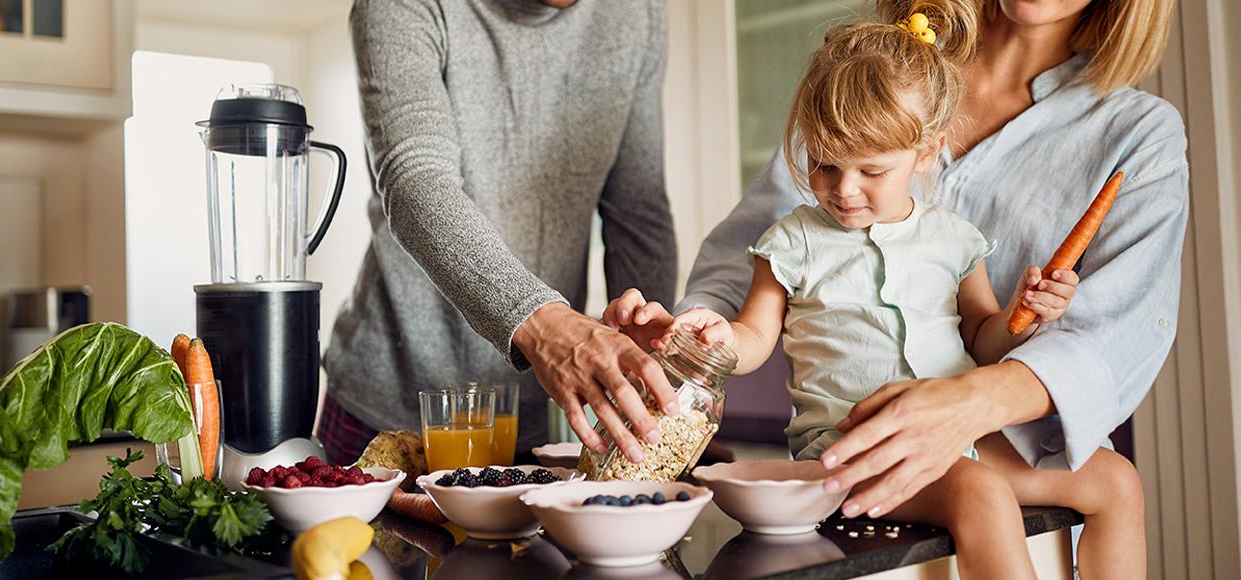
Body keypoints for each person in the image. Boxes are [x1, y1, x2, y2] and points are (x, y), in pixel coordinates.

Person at [609, 0, 1184, 576]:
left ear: (928, 150)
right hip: (852, 437)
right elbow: (746, 322)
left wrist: (1023, 317)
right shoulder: (825, 164)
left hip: (974, 439)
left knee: (1116, 480)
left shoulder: (960, 239)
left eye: (873, 171)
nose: (844, 190)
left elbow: (987, 338)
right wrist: (700, 337)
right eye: (825, 166)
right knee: (979, 494)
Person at [321, 0, 683, 467]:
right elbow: (415, 177)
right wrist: (543, 323)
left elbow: (638, 212)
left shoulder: (640, 14)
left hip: (521, 418)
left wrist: (649, 383)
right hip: (385, 410)